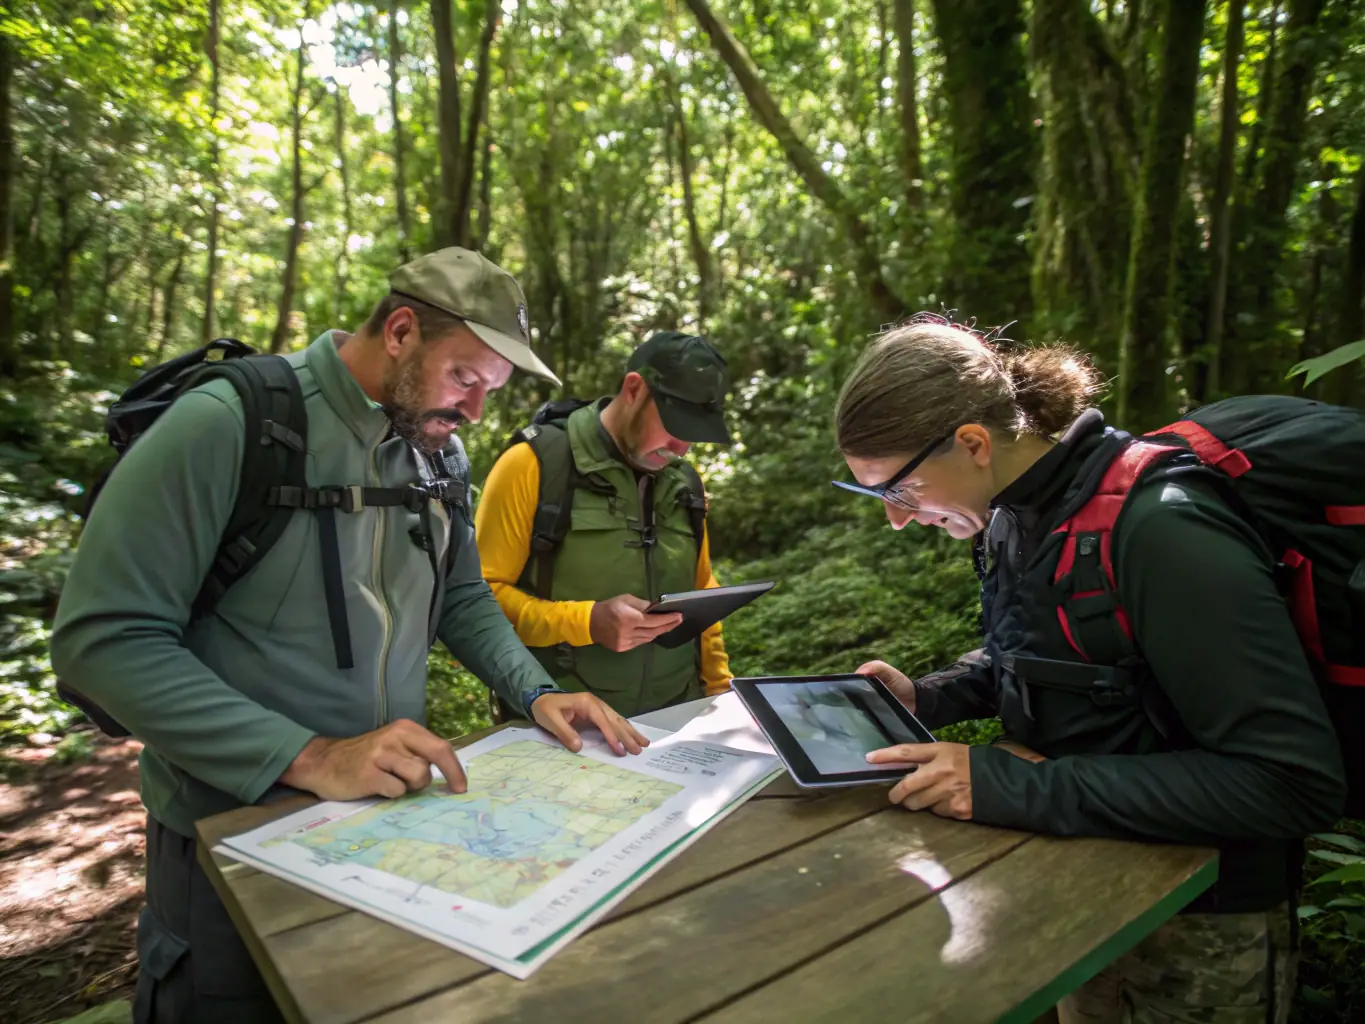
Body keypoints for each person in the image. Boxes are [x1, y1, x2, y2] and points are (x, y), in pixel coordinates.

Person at [50, 247, 647, 1024]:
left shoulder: (440, 456)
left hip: (387, 820)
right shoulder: (231, 423)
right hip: (228, 828)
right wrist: (315, 757)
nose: (473, 411)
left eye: (490, 391)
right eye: (464, 378)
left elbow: (459, 594)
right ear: (400, 330)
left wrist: (534, 691)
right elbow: (102, 639)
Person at [830, 313, 1348, 1024]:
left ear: (973, 443)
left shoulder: (1164, 529)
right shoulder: (1017, 512)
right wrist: (927, 696)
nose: (894, 518)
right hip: (1084, 887)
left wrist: (1009, 781)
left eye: (897, 490)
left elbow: (1290, 782)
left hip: (1201, 915)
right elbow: (1065, 652)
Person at [474, 331, 734, 718]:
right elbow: (479, 603)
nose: (681, 448)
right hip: (563, 731)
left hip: (675, 726)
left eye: (694, 436)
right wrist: (587, 622)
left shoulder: (686, 484)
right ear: (633, 389)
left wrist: (720, 695)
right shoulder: (533, 465)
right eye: (675, 426)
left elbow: (703, 595)